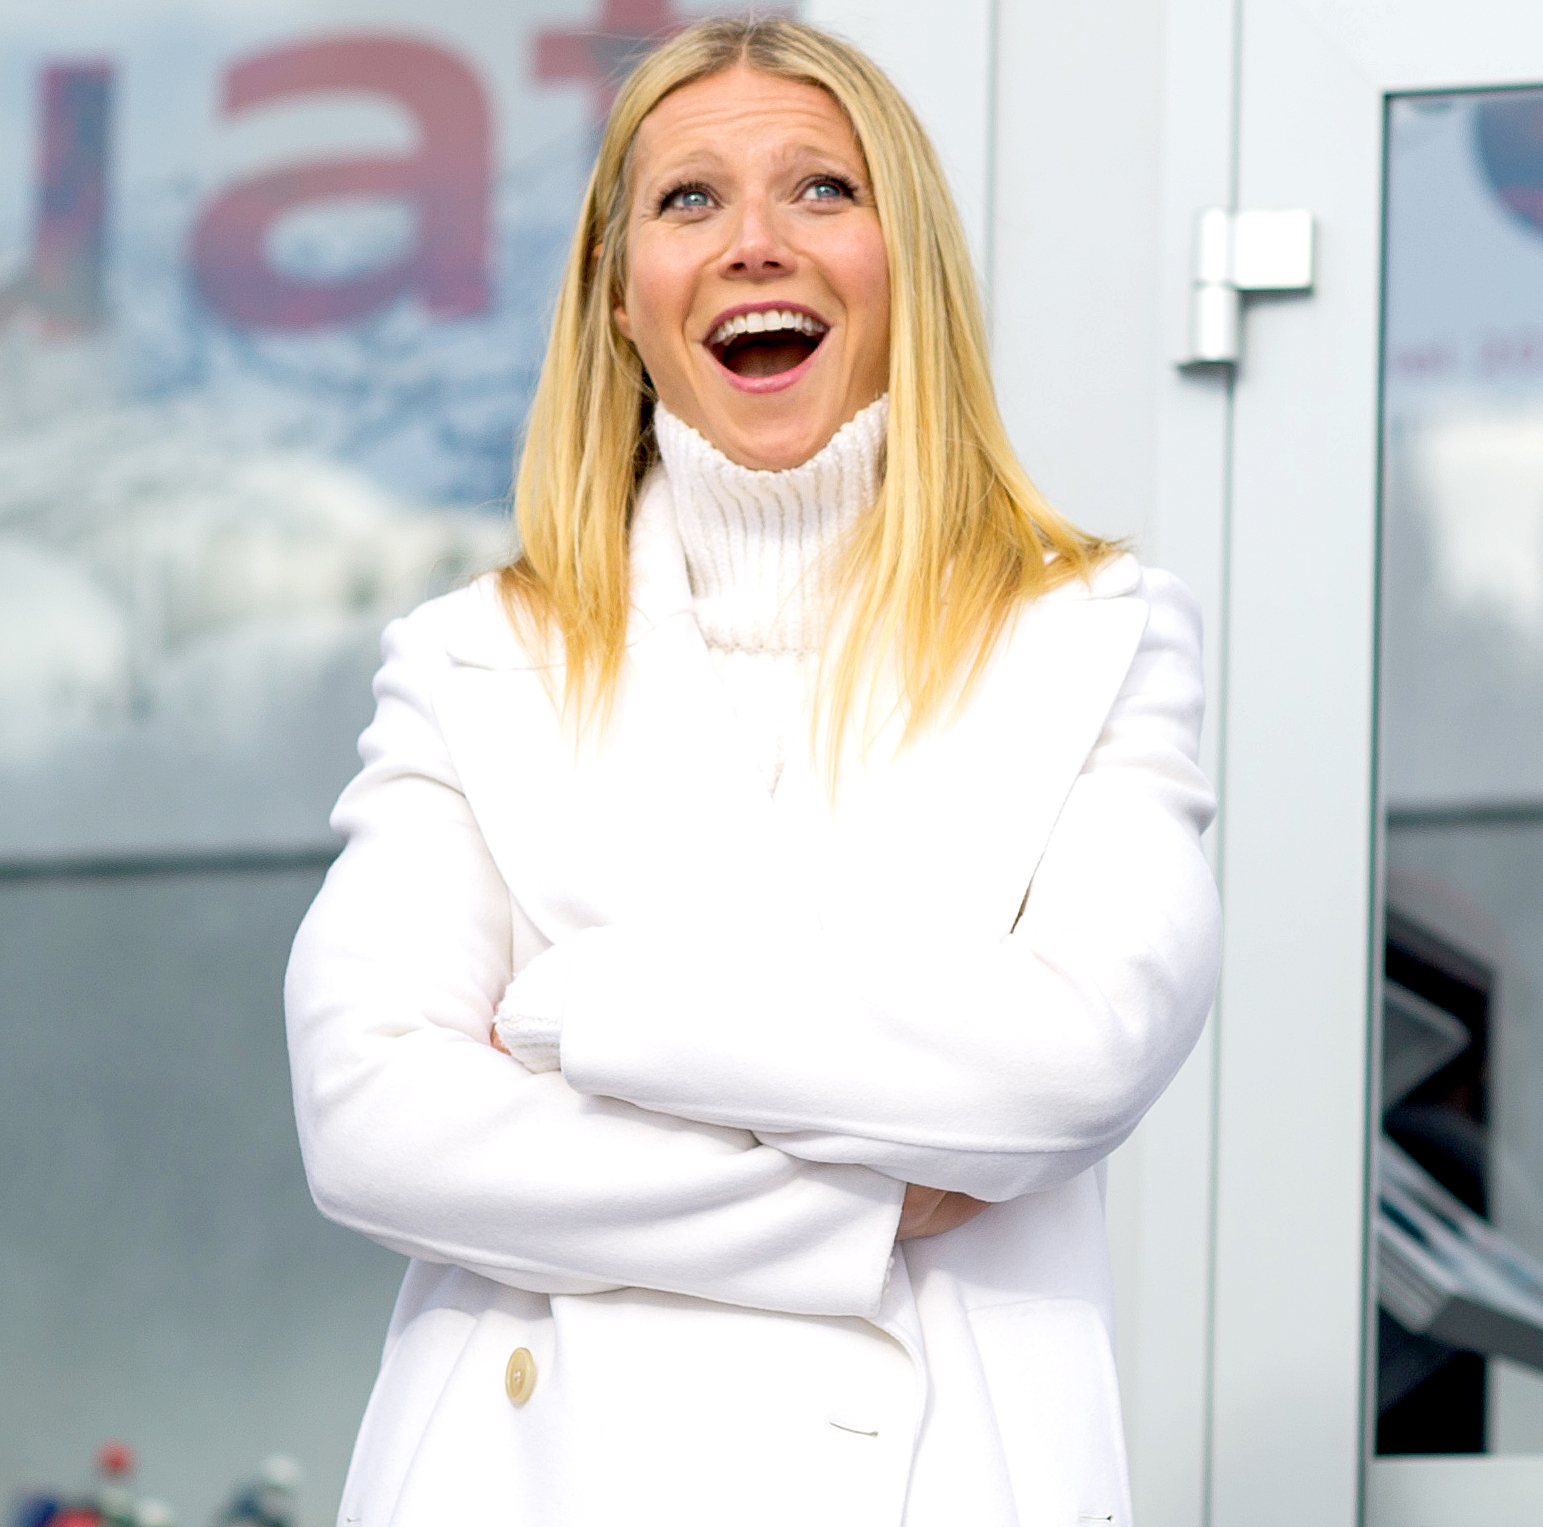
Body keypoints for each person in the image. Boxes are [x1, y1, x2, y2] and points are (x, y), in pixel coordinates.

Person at [284, 16, 1221, 1527]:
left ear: (905, 263)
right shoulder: (467, 660)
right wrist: (863, 1203)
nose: (755, 245)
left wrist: (591, 1010)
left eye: (823, 191)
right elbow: (372, 1119)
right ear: (617, 300)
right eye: (689, 201)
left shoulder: (1092, 634)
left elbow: (1072, 1060)